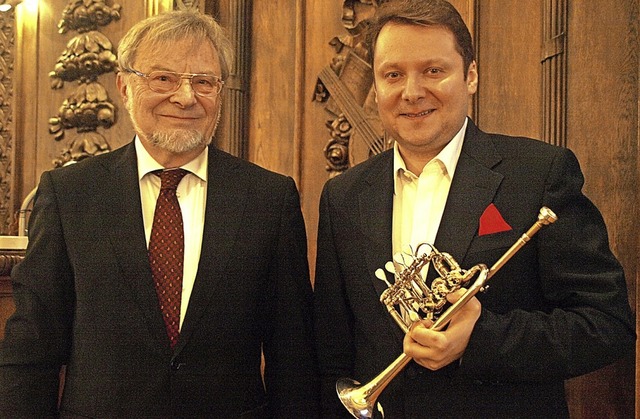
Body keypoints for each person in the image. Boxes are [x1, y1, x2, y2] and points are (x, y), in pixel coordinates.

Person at [313, 0, 635, 417]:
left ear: (471, 75)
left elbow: (607, 325)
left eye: (433, 70)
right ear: (375, 87)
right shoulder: (344, 196)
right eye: (393, 74)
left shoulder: (539, 174)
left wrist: (483, 337)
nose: (412, 92)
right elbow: (333, 350)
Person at [0, 10, 319, 418]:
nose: (186, 97)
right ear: (124, 86)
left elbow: (292, 357)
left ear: (219, 93)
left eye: (204, 82)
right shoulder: (70, 195)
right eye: (163, 78)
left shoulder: (269, 200)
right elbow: (32, 348)